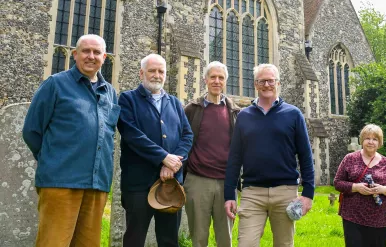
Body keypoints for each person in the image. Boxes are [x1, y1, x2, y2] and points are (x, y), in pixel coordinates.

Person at [22, 34, 120, 247]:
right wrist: (53, 160)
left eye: (96, 52)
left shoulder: (110, 93)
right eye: (86, 51)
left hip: (97, 184)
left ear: (105, 57)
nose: (91, 56)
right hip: (61, 182)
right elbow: (32, 130)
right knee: (53, 243)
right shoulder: (55, 85)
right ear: (75, 54)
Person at [224, 63, 315, 247]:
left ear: (278, 83)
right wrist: (229, 194)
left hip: (285, 193)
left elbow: (305, 155)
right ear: (255, 85)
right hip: (252, 193)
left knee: (284, 244)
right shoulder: (243, 116)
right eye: (262, 81)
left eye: (270, 81)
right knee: (246, 243)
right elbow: (235, 157)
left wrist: (308, 193)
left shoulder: (293, 114)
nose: (267, 85)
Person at [117, 54, 193, 247]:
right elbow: (132, 135)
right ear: (142, 73)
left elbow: (187, 136)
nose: (157, 75)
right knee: (135, 239)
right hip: (138, 184)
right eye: (152, 71)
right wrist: (163, 158)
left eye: (161, 71)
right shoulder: (127, 99)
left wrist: (173, 165)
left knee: (169, 240)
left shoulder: (175, 103)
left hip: (171, 184)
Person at [183, 61, 240, 247]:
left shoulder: (235, 112)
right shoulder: (191, 109)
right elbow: (181, 141)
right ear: (205, 80)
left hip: (227, 184)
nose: (217, 81)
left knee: (225, 239)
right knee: (199, 238)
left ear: (225, 82)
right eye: (213, 77)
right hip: (198, 181)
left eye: (221, 78)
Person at [334, 124, 386, 247]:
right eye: (367, 138)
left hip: (379, 219)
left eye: (374, 139)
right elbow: (337, 182)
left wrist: (382, 189)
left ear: (379, 142)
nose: (371, 142)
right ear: (362, 140)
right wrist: (356, 187)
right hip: (352, 217)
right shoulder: (350, 158)